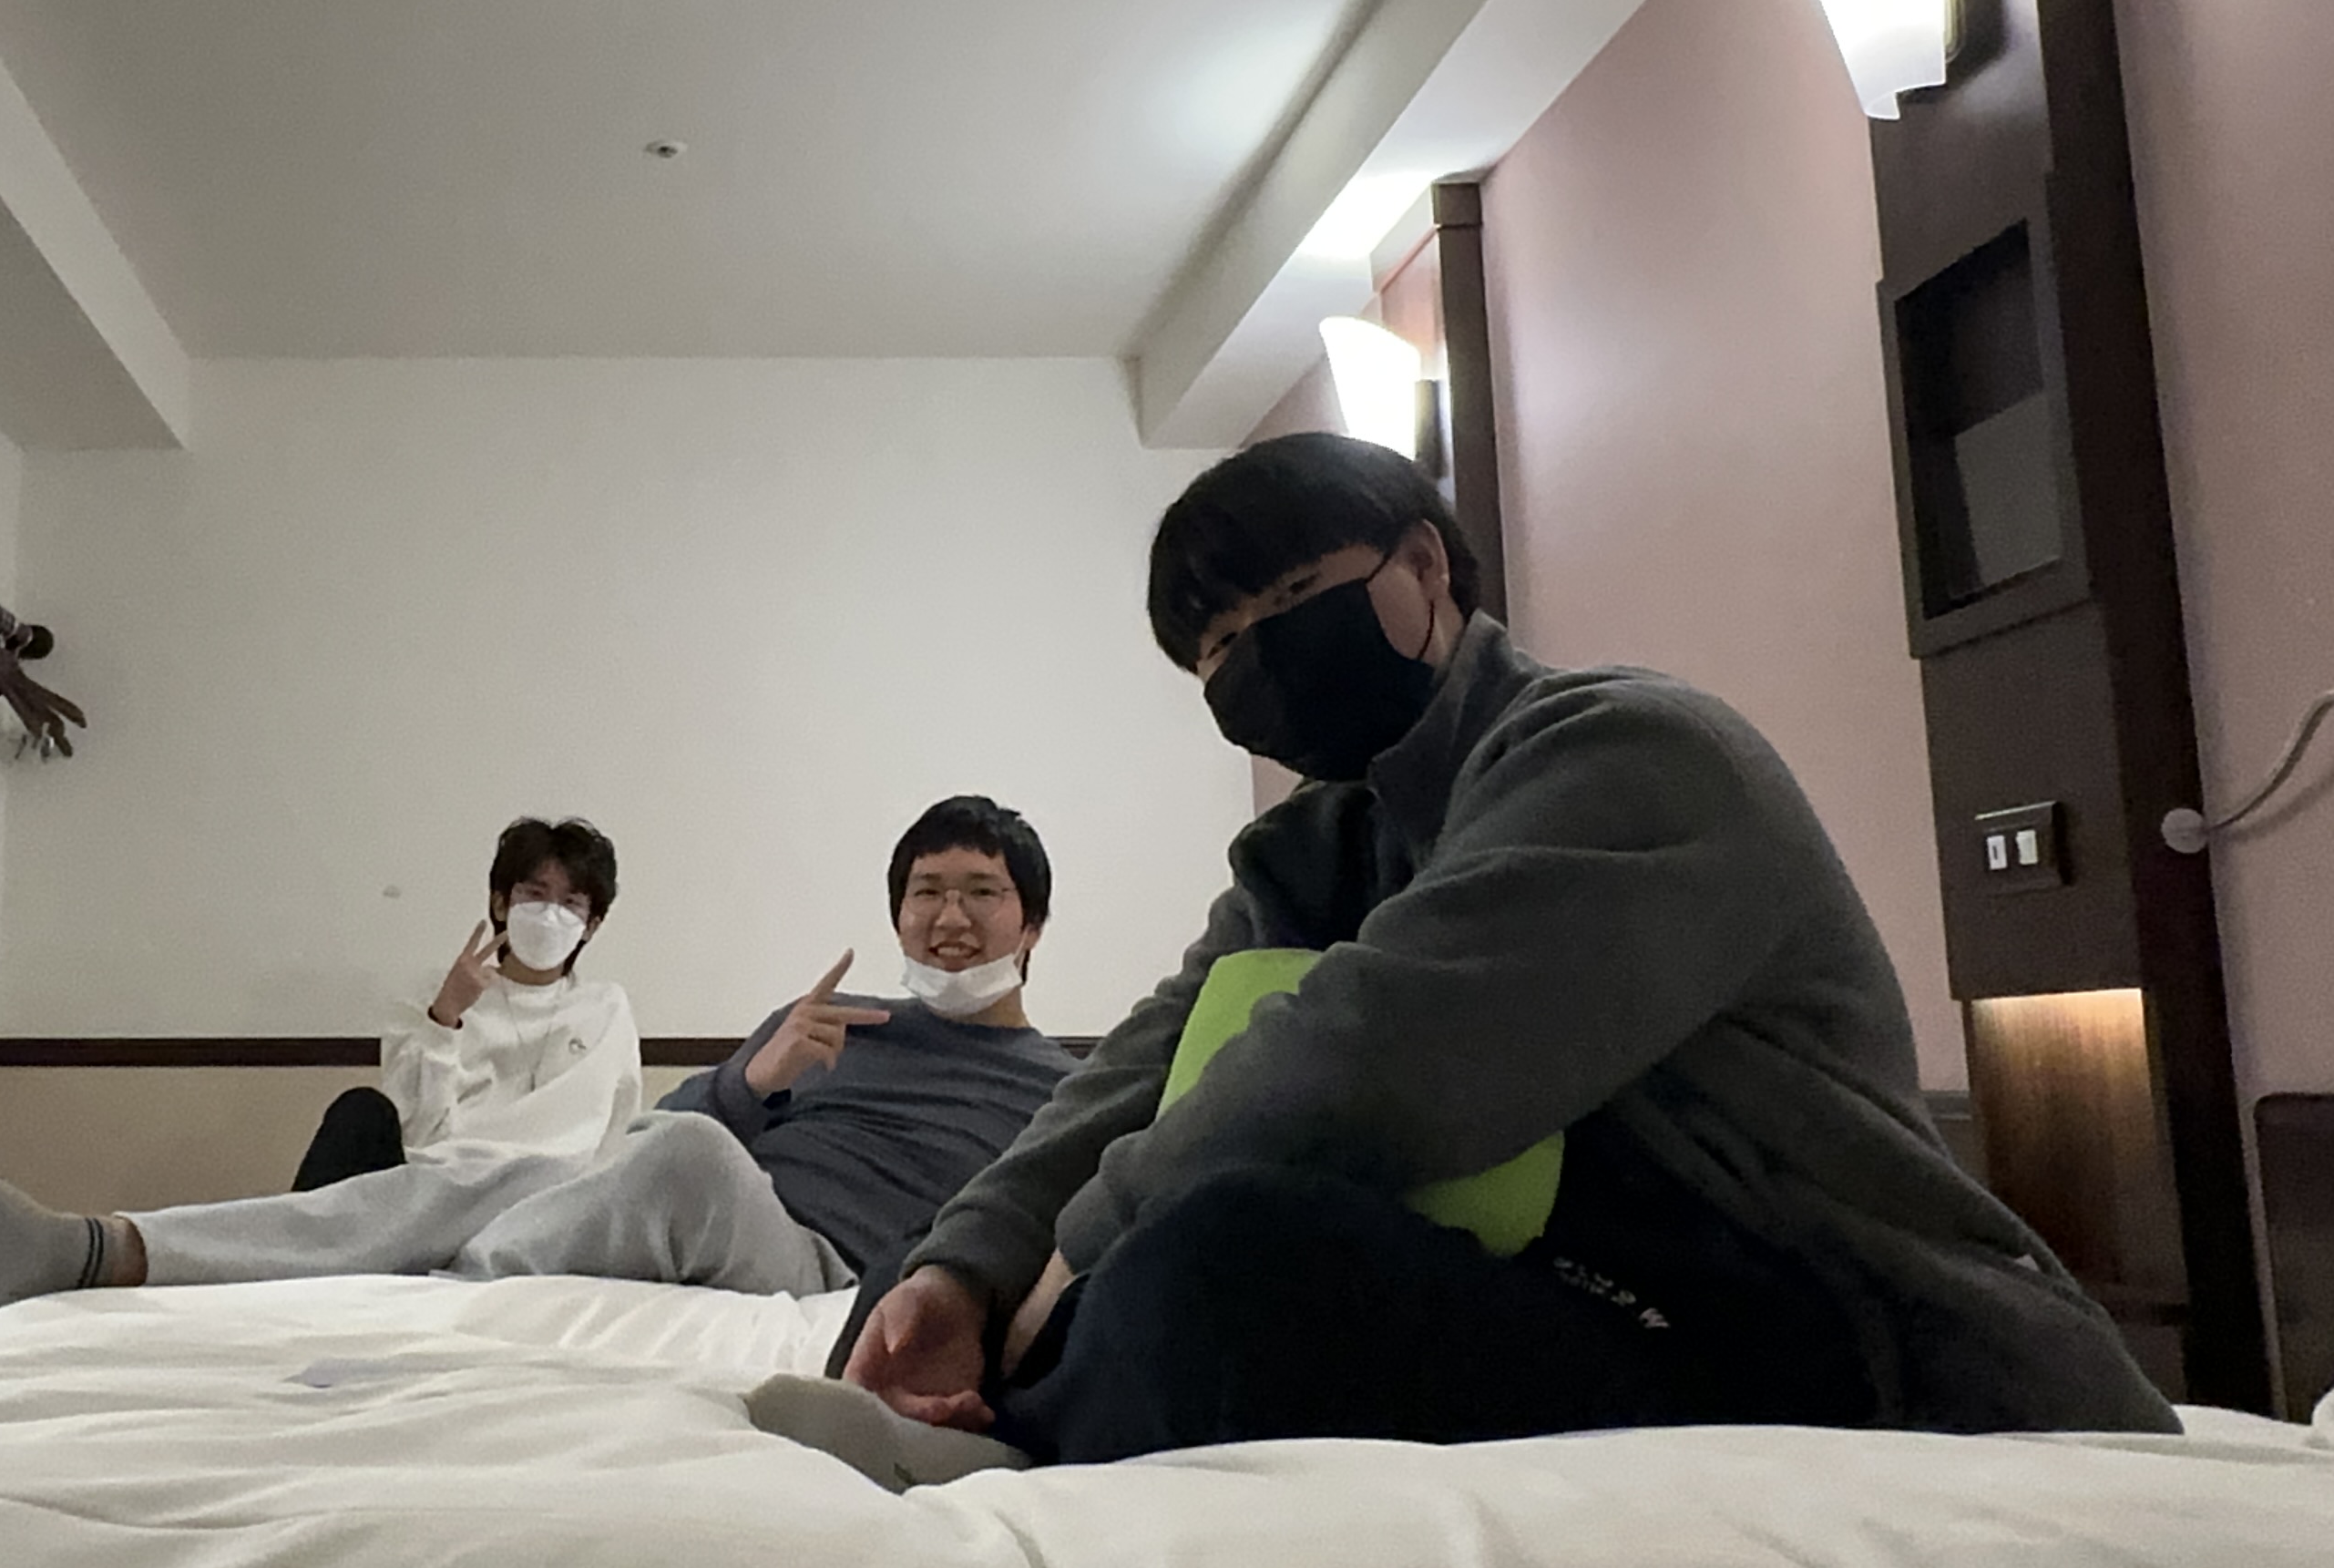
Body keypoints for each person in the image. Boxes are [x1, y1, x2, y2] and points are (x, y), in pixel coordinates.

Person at [760, 434, 2171, 1493]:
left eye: (1287, 601)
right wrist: (961, 1272)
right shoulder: (1320, 850)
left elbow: (1371, 1063)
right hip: (1599, 1312)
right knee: (958, 1257)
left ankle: (1005, 1445)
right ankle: (972, 1418)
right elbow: (1138, 1072)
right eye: (1219, 650)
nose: (1256, 661)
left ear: (1426, 569)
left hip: (1840, 1346)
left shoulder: (1630, 755)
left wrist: (1072, 1255)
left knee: (1216, 1256)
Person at [0, 797, 1078, 1305]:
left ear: (1030, 925)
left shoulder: (1065, 1085)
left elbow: (1050, 1230)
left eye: (981, 893)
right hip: (698, 1210)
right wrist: (752, 1079)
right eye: (926, 892)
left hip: (827, 1270)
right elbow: (656, 1129)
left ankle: (430, 1295)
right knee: (486, 1174)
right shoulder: (833, 1023)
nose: (950, 918)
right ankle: (99, 1251)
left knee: (678, 1161)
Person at [290, 816, 641, 1189]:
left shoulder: (606, 1008)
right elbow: (416, 1132)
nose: (550, 914)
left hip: (553, 1199)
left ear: (591, 926)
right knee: (360, 1110)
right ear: (501, 904)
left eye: (571, 903)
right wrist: (445, 1016)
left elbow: (619, 1140)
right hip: (445, 1185)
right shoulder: (434, 993)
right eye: (535, 895)